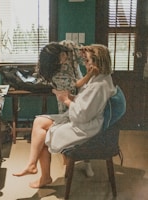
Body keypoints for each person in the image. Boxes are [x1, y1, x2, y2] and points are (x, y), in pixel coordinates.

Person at [13, 44, 116, 188]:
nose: (85, 64)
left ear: (97, 61)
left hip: (84, 126)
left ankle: (44, 176)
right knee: (39, 122)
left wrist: (67, 100)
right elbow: (85, 99)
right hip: (80, 115)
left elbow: (82, 115)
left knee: (41, 135)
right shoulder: (97, 78)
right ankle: (32, 166)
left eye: (87, 61)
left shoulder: (99, 85)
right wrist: (71, 97)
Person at [36, 41, 95, 176]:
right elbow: (46, 80)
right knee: (66, 128)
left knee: (83, 126)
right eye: (59, 61)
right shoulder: (54, 68)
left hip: (81, 89)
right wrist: (55, 91)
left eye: (62, 57)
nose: (62, 61)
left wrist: (89, 74)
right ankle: (67, 161)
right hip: (64, 95)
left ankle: (87, 162)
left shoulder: (71, 47)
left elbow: (88, 58)